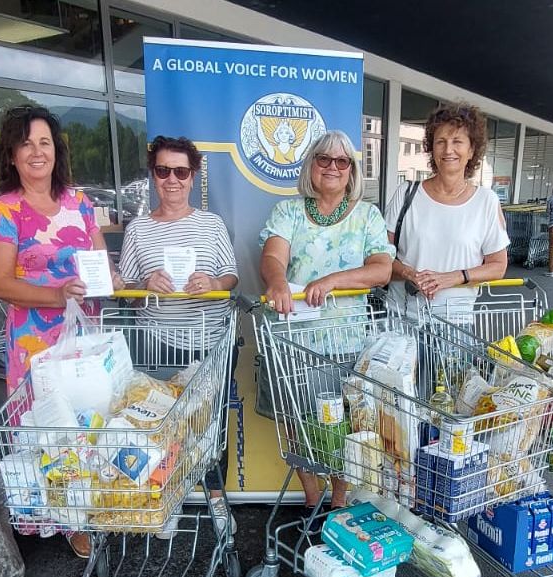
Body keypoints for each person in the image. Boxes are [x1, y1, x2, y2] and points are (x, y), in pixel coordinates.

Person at [0, 104, 123, 559]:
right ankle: (65, 518)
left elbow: (100, 264)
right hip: (34, 341)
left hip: (84, 334)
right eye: (26, 143)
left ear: (56, 151)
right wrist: (58, 293)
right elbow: (0, 282)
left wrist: (113, 280)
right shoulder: (5, 210)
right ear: (12, 154)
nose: (37, 152)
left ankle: (88, 505)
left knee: (89, 418)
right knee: (48, 427)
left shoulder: (79, 202)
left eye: (44, 142)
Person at [259, 129, 393, 521]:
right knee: (295, 419)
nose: (332, 167)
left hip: (344, 339)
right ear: (311, 166)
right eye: (323, 159)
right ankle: (311, 497)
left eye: (342, 161)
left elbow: (381, 270)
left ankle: (339, 500)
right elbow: (272, 256)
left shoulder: (367, 214)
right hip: (292, 340)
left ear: (352, 170)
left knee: (343, 425)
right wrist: (277, 280)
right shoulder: (288, 211)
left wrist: (331, 282)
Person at [118, 135, 239, 538]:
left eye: (181, 171)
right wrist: (144, 283)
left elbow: (231, 275)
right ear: (153, 175)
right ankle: (167, 498)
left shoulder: (211, 224)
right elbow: (127, 291)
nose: (172, 179)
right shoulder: (137, 230)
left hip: (211, 343)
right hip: (160, 343)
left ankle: (217, 502)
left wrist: (213, 281)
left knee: (210, 429)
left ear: (193, 177)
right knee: (164, 429)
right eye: (163, 170)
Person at [385, 101, 509, 322]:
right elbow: (382, 256)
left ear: (471, 150)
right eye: (440, 141)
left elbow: (498, 266)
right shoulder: (407, 194)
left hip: (456, 323)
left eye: (457, 142)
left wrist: (453, 277)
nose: (448, 149)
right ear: (432, 149)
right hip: (403, 318)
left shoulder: (486, 202)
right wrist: (409, 273)